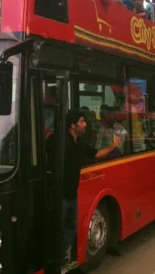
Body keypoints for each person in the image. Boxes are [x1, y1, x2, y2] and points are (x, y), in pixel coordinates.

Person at [47, 109, 121, 273]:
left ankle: (61, 259)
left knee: (71, 229)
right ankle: (53, 263)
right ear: (73, 125)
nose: (85, 124)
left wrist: (113, 146)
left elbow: (96, 154)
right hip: (59, 195)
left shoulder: (78, 142)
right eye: (82, 121)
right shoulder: (58, 141)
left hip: (72, 195)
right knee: (57, 230)